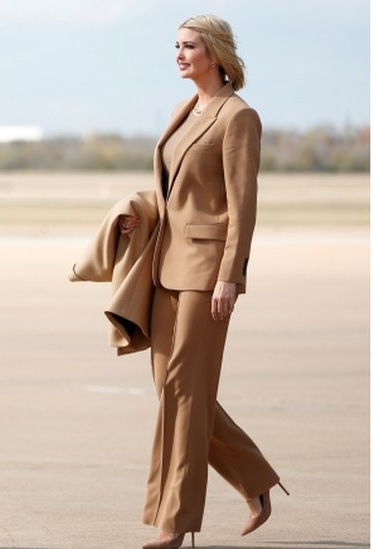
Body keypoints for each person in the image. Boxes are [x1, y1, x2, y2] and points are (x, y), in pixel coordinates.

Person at [116, 15, 287, 549]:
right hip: (164, 265)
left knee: (185, 393)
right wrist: (140, 214)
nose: (179, 54)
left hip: (206, 274)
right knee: (176, 390)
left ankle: (178, 521)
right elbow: (173, 193)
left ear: (214, 53)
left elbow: (243, 206)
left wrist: (231, 276)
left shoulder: (239, 118)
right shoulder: (184, 110)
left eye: (188, 46)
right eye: (176, 46)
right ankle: (256, 481)